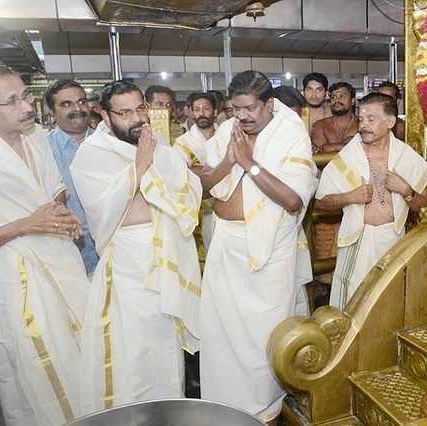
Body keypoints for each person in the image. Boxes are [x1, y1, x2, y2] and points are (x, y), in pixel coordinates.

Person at [0, 64, 90, 426]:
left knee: (83, 352)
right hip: (14, 279)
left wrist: (59, 210)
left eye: (25, 95)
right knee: (36, 368)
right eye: (12, 101)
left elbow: (54, 188)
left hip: (62, 262)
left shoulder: (35, 134)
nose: (26, 107)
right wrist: (26, 225)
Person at [70, 80, 201, 416]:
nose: (136, 118)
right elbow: (107, 211)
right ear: (104, 114)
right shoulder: (91, 154)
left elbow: (186, 186)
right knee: (135, 353)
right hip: (128, 265)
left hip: (165, 259)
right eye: (124, 112)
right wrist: (140, 165)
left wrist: (150, 162)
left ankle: (168, 415)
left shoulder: (156, 145)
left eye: (139, 108)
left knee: (166, 350)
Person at [198, 70, 317, 425]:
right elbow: (203, 187)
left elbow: (293, 200)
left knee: (261, 336)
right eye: (236, 109)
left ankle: (264, 413)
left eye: (250, 108)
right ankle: (224, 408)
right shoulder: (227, 131)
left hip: (268, 254)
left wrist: (248, 164)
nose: (243, 117)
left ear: (269, 103)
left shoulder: (291, 132)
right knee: (221, 333)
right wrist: (228, 162)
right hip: (226, 245)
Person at [315, 92, 427, 310]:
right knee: (350, 305)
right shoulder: (349, 155)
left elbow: (425, 206)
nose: (364, 125)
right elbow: (320, 201)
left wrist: (406, 191)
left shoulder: (405, 155)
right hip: (357, 240)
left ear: (390, 122)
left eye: (371, 119)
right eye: (361, 119)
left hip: (394, 241)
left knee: (388, 304)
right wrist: (350, 197)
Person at [45, 79, 99, 276]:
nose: (78, 108)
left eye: (81, 101)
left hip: (112, 257)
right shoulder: (43, 150)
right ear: (52, 114)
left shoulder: (108, 144)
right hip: (68, 261)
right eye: (66, 104)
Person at [173, 92, 218, 253]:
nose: (202, 113)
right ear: (191, 112)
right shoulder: (183, 142)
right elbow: (180, 173)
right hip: (199, 206)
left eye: (206, 108)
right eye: (197, 109)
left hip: (225, 203)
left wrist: (200, 170)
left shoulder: (226, 136)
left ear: (215, 111)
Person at [310, 81, 359, 153]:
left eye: (342, 96)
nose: (337, 100)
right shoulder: (320, 125)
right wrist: (346, 146)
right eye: (333, 97)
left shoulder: (362, 123)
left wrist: (330, 147)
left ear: (352, 101)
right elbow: (319, 152)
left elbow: (366, 150)